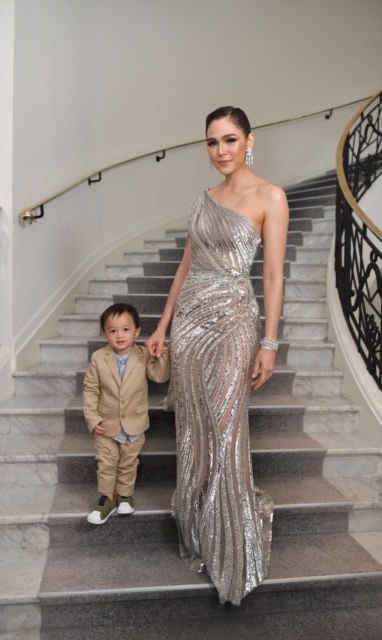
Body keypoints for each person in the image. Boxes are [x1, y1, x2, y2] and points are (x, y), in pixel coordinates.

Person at [146, 106, 289, 605]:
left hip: (233, 324)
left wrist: (269, 342)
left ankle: (232, 540)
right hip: (189, 323)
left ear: (250, 140)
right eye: (212, 142)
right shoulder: (205, 199)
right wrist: (163, 326)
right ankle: (198, 523)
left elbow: (273, 275)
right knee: (194, 427)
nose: (221, 150)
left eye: (230, 139)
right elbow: (185, 267)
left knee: (226, 426)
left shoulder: (270, 196)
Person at [83, 303, 170, 525]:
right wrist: (92, 418)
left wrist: (161, 356)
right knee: (106, 462)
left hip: (134, 422)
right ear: (105, 334)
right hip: (106, 423)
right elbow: (91, 389)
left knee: (129, 462)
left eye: (125, 329)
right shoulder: (98, 358)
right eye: (112, 331)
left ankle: (124, 495)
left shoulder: (143, 354)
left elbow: (159, 376)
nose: (119, 335)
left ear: (137, 331)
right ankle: (106, 498)